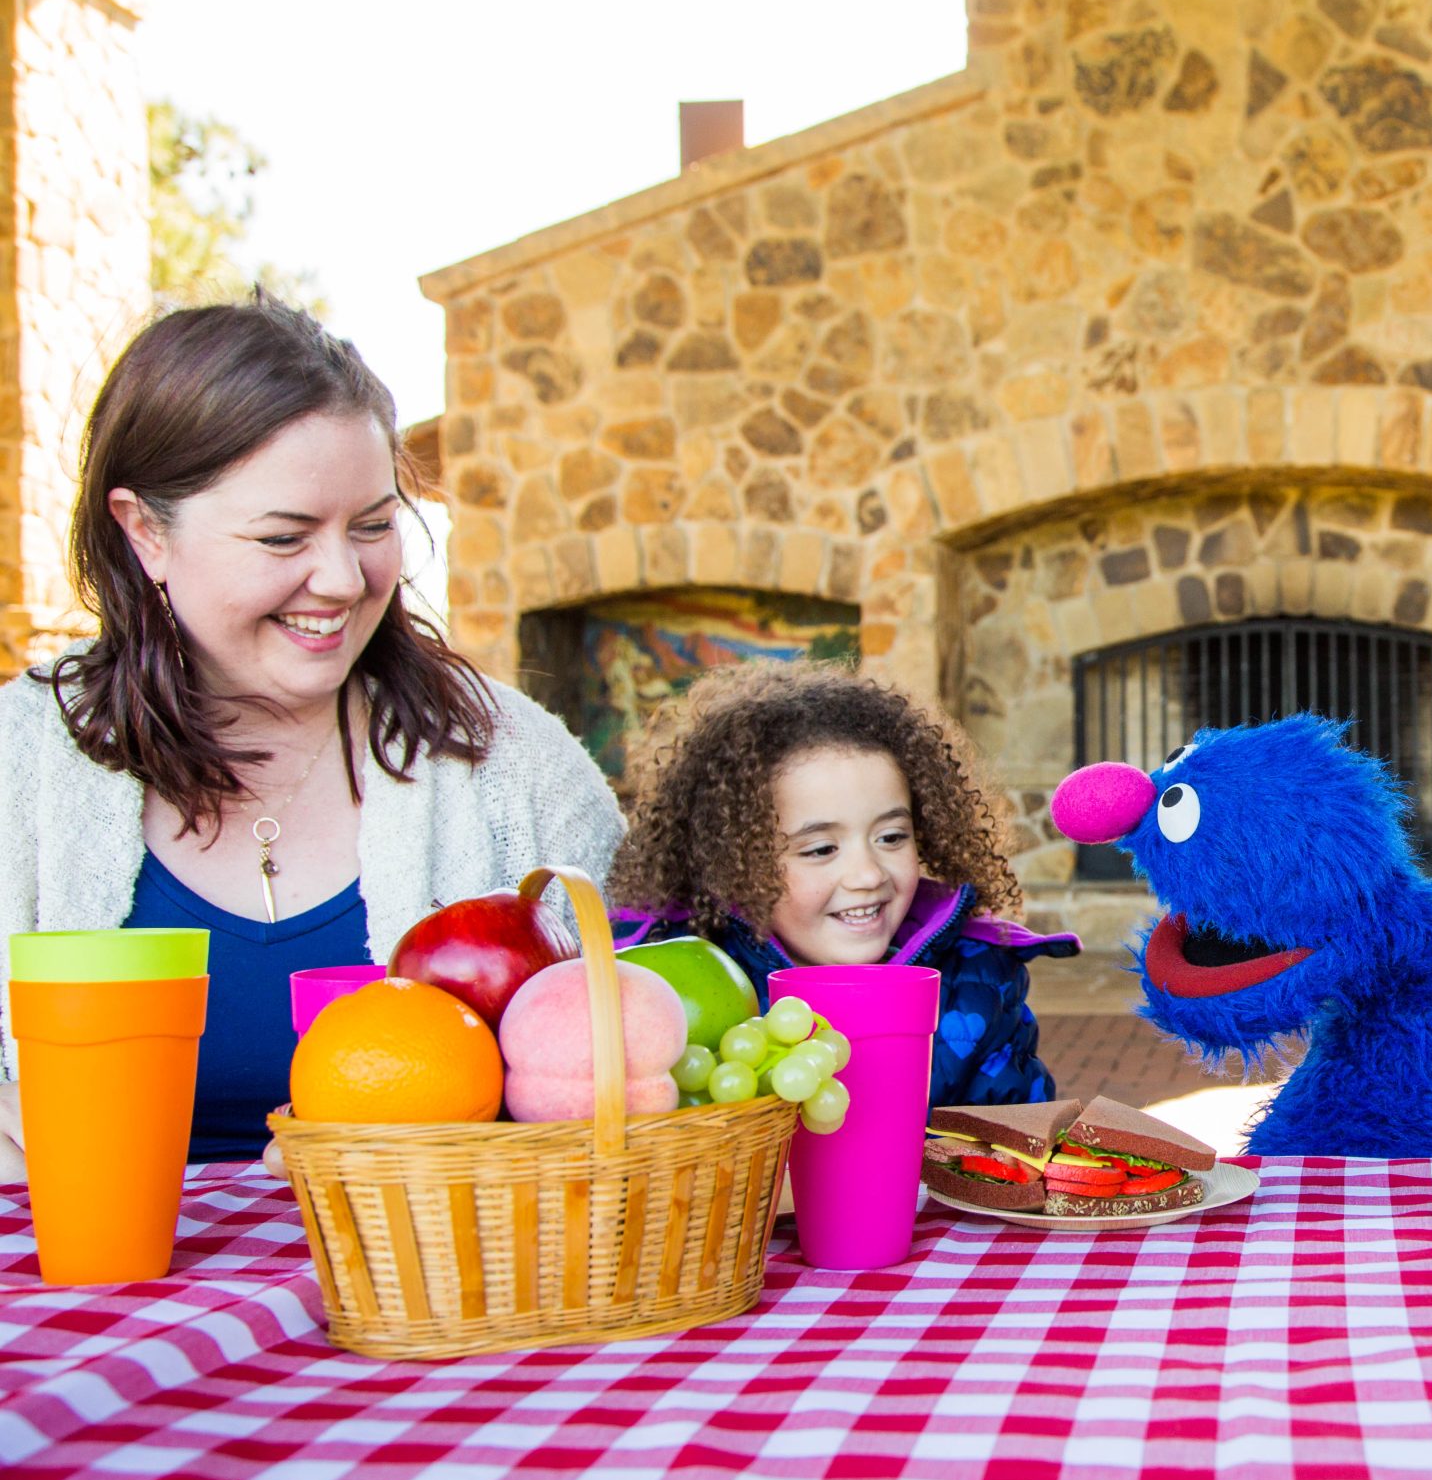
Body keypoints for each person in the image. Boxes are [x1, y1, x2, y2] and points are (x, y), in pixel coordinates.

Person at [0, 297, 623, 1169]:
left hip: (440, 1291)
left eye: (373, 525)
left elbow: (634, 1068)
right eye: (283, 536)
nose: (340, 578)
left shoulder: (511, 764)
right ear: (144, 531)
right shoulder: (20, 758)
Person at [607, 660, 1078, 1109]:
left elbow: (1019, 1147)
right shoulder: (674, 992)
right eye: (821, 849)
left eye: (891, 837)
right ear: (735, 862)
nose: (868, 875)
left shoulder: (981, 981)